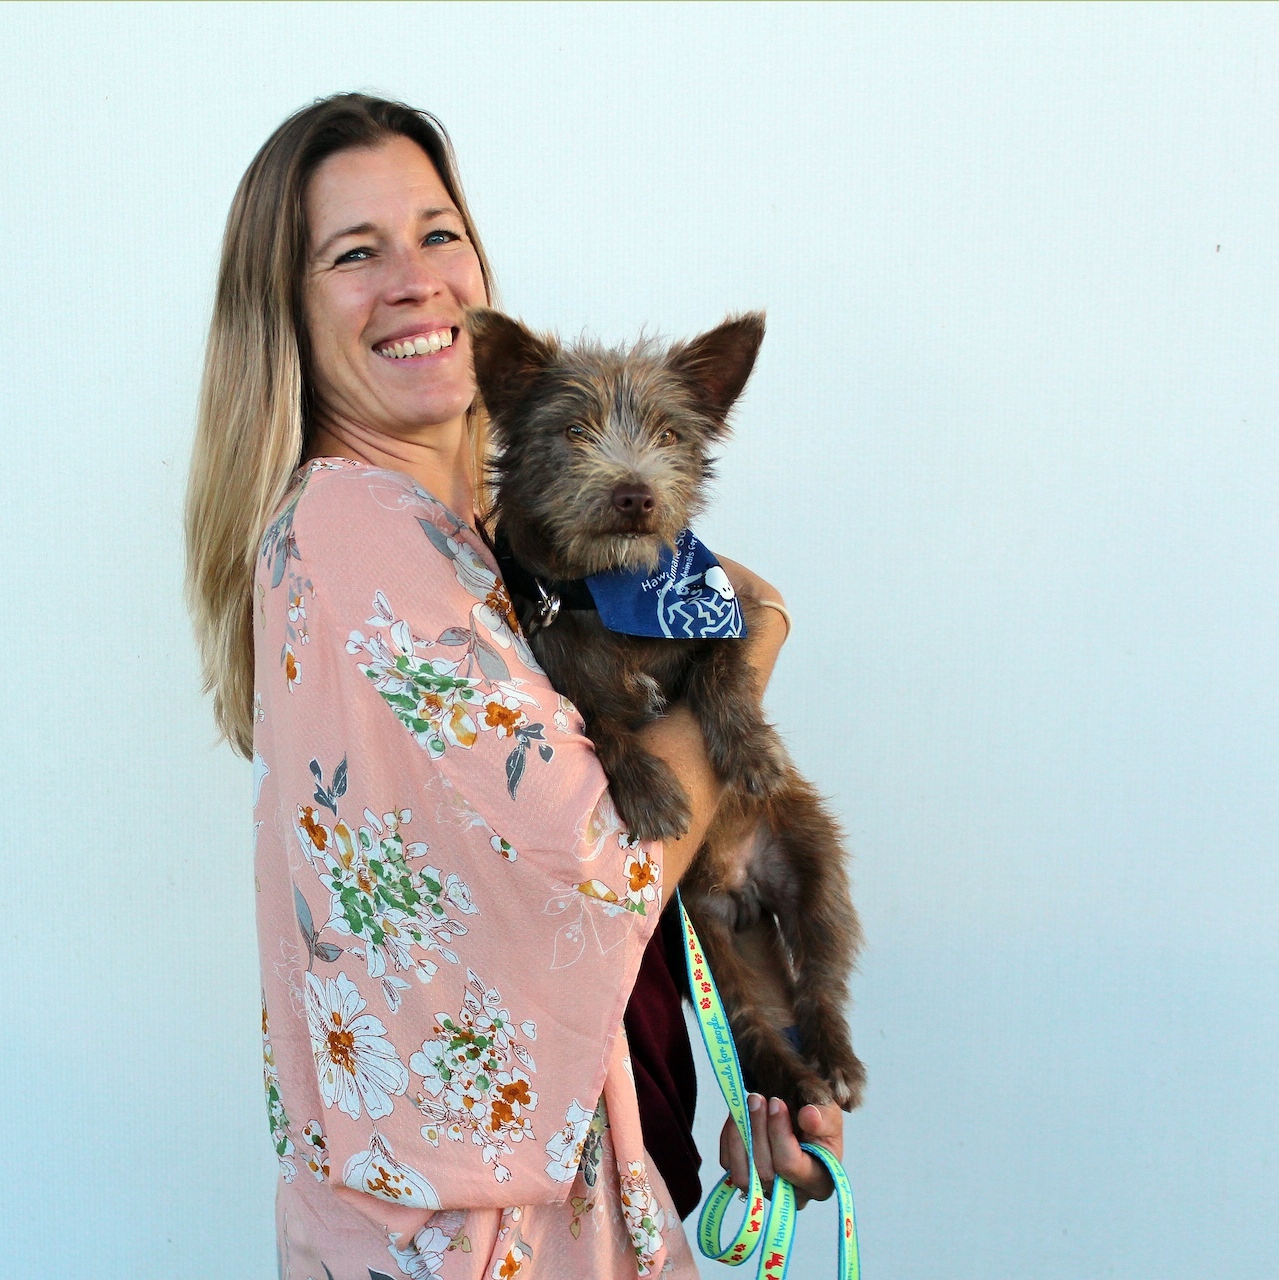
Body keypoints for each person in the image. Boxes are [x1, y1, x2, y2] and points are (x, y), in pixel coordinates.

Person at [185, 92, 844, 1278]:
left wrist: (763, 1056)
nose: (415, 279)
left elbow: (613, 891)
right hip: (470, 1237)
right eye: (354, 253)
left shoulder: (479, 533)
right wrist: (759, 632)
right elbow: (600, 852)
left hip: (540, 1195)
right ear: (282, 310)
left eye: (438, 232)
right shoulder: (358, 529)